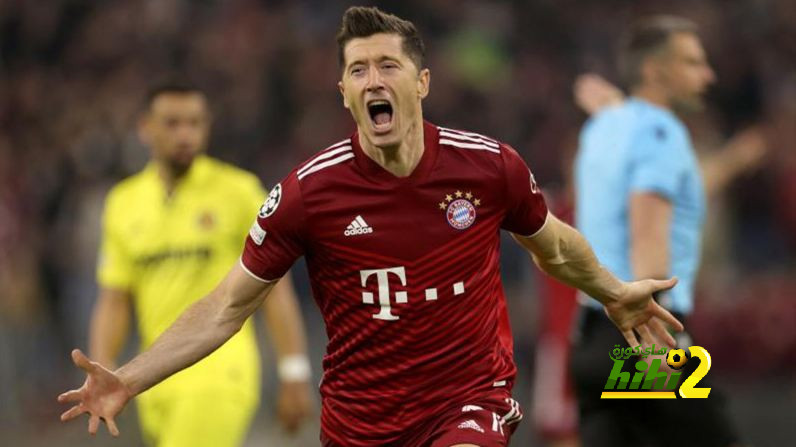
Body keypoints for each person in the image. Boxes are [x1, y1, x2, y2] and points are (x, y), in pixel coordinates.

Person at [59, 7, 684, 447]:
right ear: (343, 91)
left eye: (388, 65)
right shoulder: (308, 194)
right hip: (361, 422)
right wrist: (130, 377)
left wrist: (611, 291)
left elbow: (553, 246)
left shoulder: (489, 167)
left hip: (468, 400)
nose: (373, 80)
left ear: (422, 82)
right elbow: (226, 307)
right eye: (358, 70)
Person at [86, 81, 313, 447]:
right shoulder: (123, 203)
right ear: (145, 128)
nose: (185, 135)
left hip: (219, 373)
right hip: (151, 380)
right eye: (172, 123)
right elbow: (115, 298)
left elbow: (275, 289)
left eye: (195, 123)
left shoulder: (238, 192)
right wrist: (102, 364)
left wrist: (294, 370)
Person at [570, 16, 753, 447]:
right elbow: (648, 231)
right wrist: (658, 344)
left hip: (592, 336)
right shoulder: (661, 133)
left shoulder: (603, 126)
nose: (707, 75)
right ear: (654, 70)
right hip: (643, 333)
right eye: (692, 62)